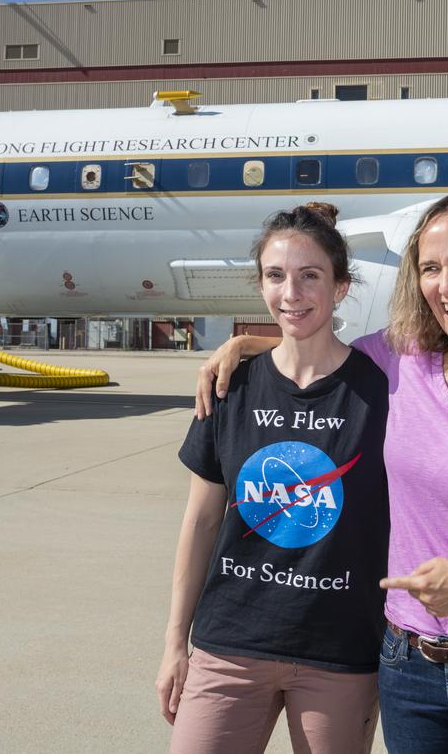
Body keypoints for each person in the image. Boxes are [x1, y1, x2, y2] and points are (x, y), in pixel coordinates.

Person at [197, 192, 448, 753]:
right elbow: (313, 342)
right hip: (410, 670)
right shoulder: (400, 360)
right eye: (431, 269)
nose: (447, 285)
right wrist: (244, 344)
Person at [157, 202, 390, 754]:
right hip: (230, 645)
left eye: (311, 276)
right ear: (259, 284)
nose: (292, 293)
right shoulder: (228, 388)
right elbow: (201, 520)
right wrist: (174, 643)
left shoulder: (383, 392)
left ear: (341, 287)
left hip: (339, 654)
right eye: (276, 276)